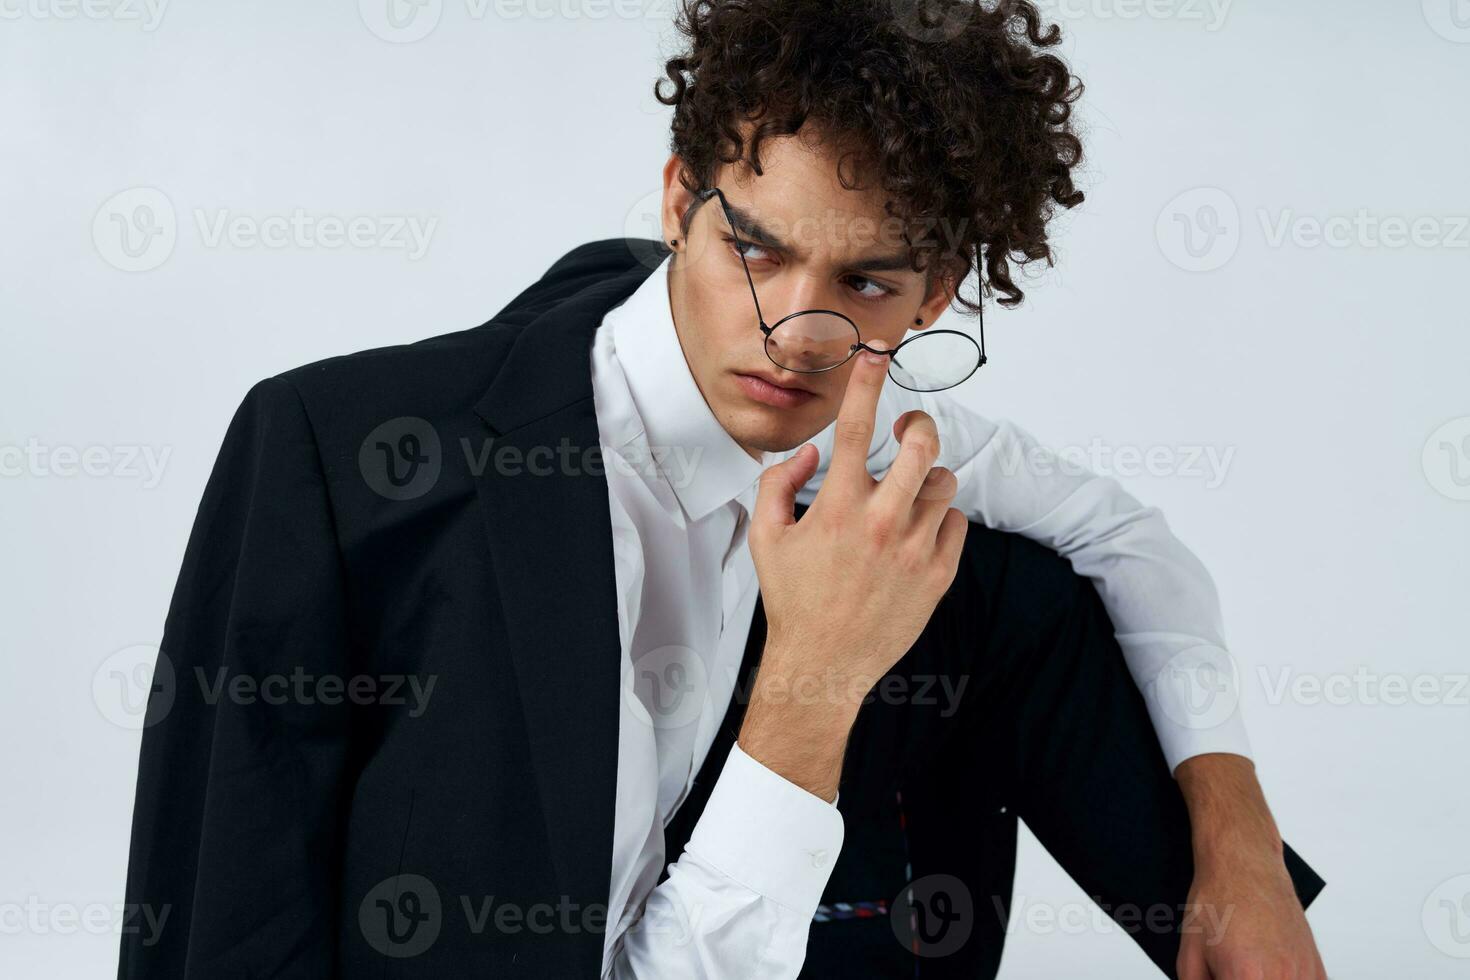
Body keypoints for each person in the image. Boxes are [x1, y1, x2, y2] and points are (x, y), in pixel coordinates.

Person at [118, 2, 1324, 977]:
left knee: (1012, 574)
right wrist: (817, 677)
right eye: (756, 248)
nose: (800, 331)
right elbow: (217, 915)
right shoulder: (333, 453)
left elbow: (1132, 539)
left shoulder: (884, 428)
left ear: (938, 291)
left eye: (865, 279)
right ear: (677, 202)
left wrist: (1239, 842)